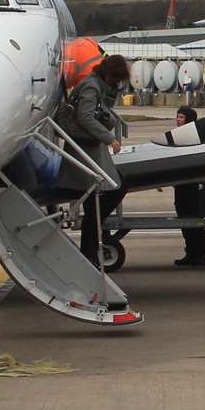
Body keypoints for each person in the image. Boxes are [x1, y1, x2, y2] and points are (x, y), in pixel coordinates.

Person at [68, 55, 130, 268]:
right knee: (109, 191)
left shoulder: (96, 86)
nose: (116, 84)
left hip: (91, 148)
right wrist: (109, 138)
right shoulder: (91, 88)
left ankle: (90, 248)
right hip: (86, 149)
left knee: (98, 201)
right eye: (115, 79)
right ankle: (89, 250)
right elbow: (85, 117)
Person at [170, 106, 205, 267]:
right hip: (181, 184)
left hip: (193, 185)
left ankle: (200, 253)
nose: (178, 120)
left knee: (194, 220)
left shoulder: (196, 136)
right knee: (184, 219)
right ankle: (191, 252)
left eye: (181, 117)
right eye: (177, 117)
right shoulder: (175, 135)